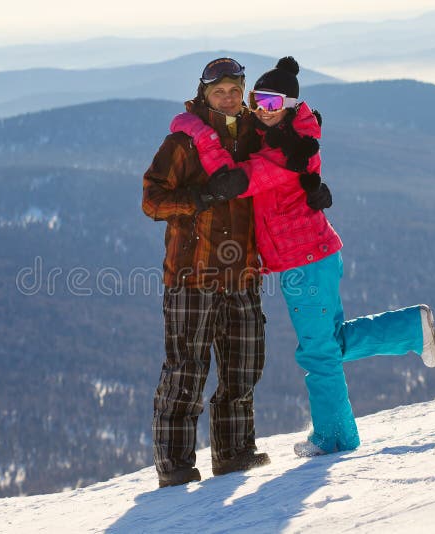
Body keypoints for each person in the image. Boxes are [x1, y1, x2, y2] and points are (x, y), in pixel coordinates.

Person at [169, 56, 435, 458]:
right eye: (259, 99)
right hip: (311, 255)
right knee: (326, 344)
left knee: (318, 352)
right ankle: (411, 329)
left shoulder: (288, 152)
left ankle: (335, 437)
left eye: (274, 103)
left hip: (305, 261)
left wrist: (190, 125)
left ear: (292, 105)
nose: (262, 109)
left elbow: (233, 179)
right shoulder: (281, 136)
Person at [142, 57, 272, 488]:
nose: (229, 98)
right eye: (220, 92)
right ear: (204, 94)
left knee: (244, 367)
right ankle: (175, 467)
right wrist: (204, 196)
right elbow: (152, 199)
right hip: (192, 275)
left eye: (236, 90)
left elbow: (283, 163)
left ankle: (234, 454)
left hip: (242, 274)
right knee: (186, 371)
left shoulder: (255, 134)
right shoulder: (184, 143)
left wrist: (303, 129)